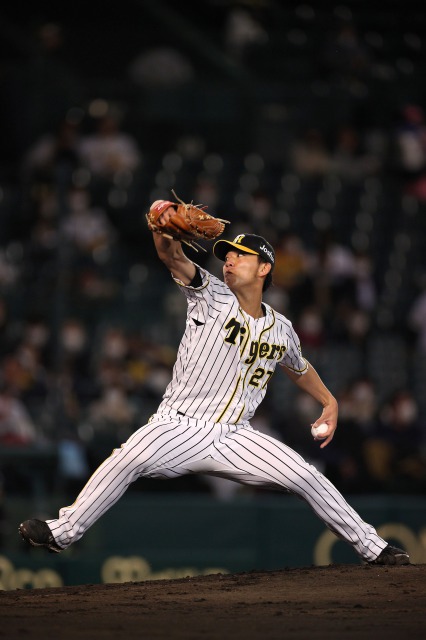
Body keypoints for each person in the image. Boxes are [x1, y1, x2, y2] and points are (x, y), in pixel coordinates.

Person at [18, 202, 409, 566]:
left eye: (240, 256)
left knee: (307, 476)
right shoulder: (209, 293)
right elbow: (171, 255)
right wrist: (160, 219)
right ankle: (62, 532)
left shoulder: (282, 328)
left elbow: (297, 366)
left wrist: (329, 402)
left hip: (236, 434)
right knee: (127, 459)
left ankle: (374, 548)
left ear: (264, 268)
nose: (229, 261)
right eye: (227, 255)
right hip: (178, 424)